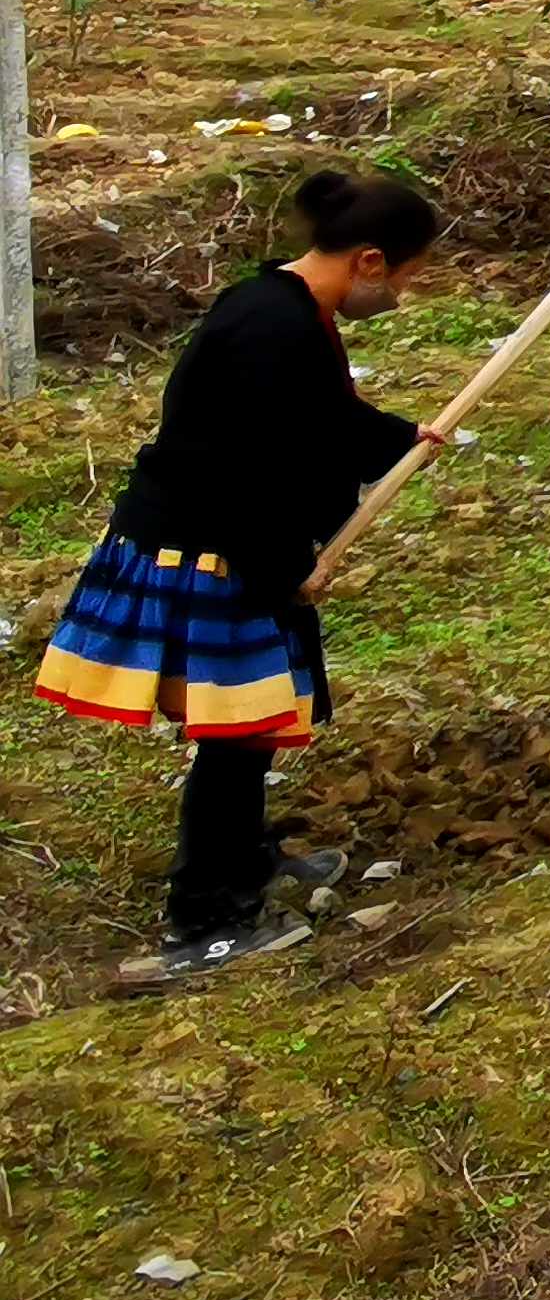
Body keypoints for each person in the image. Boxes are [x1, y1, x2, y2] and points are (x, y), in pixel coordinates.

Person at [33, 171, 442, 988]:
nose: (404, 292)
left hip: (231, 537)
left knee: (248, 724)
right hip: (208, 543)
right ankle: (206, 917)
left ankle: (246, 859)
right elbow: (243, 469)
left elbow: (318, 421)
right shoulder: (272, 328)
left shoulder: (292, 310)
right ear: (368, 260)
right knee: (232, 727)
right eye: (405, 275)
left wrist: (401, 439)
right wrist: (285, 567)